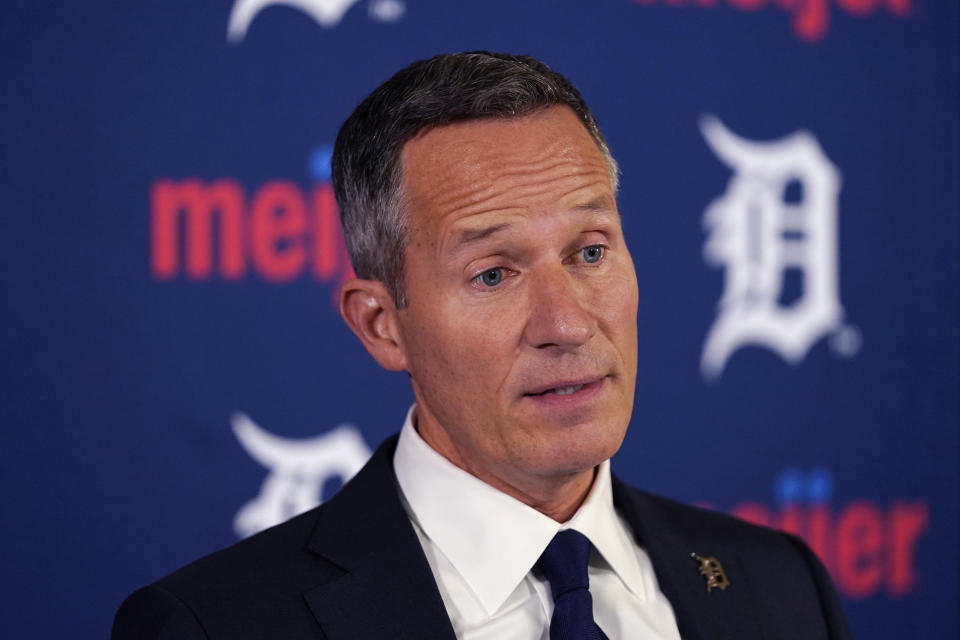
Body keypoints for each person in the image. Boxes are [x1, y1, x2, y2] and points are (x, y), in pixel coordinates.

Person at [113, 52, 852, 640]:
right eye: (493, 273)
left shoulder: (781, 590)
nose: (566, 323)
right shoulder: (216, 625)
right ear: (381, 324)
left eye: (590, 253)